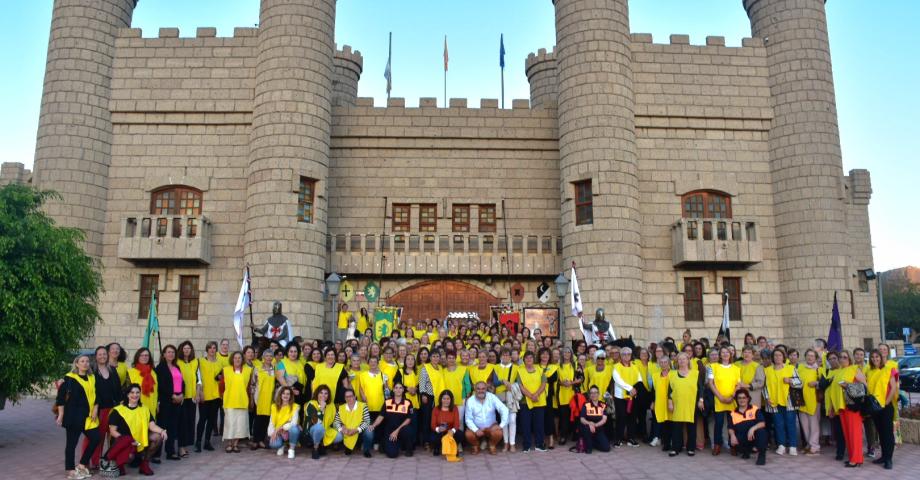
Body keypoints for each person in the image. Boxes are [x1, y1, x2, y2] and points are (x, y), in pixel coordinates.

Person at [98, 383, 167, 477]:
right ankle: (120, 464)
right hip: (125, 442)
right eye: (132, 392)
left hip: (140, 443)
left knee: (157, 437)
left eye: (137, 392)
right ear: (127, 394)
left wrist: (162, 431)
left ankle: (145, 463)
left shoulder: (144, 409)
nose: (135, 395)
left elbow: (152, 426)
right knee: (129, 458)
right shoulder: (118, 410)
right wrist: (128, 441)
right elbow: (113, 431)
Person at [56, 354, 101, 480]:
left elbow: (97, 395)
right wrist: (61, 415)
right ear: (76, 364)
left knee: (96, 438)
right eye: (82, 361)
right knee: (71, 444)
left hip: (89, 417)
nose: (85, 363)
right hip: (73, 416)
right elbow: (60, 399)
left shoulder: (92, 378)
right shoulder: (69, 379)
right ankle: (70, 470)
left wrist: (96, 409)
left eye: (87, 361)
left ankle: (81, 465)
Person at [85, 346, 121, 470]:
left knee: (111, 437)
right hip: (98, 410)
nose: (102, 356)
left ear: (107, 355)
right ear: (96, 356)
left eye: (104, 354)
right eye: (100, 354)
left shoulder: (112, 369)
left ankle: (109, 461)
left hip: (112, 409)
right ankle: (91, 462)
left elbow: (118, 389)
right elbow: (91, 390)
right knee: (95, 437)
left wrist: (120, 403)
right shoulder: (91, 371)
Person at [867, 349, 897, 469]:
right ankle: (884, 456)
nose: (875, 359)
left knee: (887, 433)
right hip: (875, 407)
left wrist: (885, 403)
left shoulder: (889, 369)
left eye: (877, 356)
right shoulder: (869, 372)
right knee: (880, 433)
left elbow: (893, 387)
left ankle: (889, 459)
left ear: (881, 357)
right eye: (873, 357)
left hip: (886, 406)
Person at [152, 344, 183, 462]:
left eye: (173, 352)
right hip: (166, 401)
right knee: (162, 427)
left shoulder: (177, 367)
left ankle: (170, 452)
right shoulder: (159, 368)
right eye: (168, 352)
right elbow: (161, 386)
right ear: (164, 354)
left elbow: (181, 382)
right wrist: (172, 395)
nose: (171, 354)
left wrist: (181, 395)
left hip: (177, 401)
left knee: (173, 427)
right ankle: (156, 454)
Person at [764, 348, 797, 456]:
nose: (777, 357)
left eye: (780, 355)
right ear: (772, 357)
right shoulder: (767, 370)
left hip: (788, 401)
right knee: (778, 424)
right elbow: (764, 386)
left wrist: (791, 380)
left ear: (784, 357)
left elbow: (800, 382)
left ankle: (792, 446)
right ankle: (781, 445)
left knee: (790, 423)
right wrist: (766, 397)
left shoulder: (791, 368)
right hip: (773, 401)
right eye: (775, 355)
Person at [835, 350, 866, 467]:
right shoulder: (839, 371)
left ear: (849, 359)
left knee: (855, 434)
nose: (842, 359)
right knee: (848, 434)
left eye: (845, 357)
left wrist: (848, 385)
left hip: (853, 405)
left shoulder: (854, 369)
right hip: (842, 406)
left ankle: (856, 459)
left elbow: (864, 385)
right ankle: (853, 457)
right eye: (840, 357)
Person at [708, 346, 740, 455]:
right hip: (718, 399)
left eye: (727, 352)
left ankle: (733, 445)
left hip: (732, 400)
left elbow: (738, 385)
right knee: (719, 423)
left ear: (731, 354)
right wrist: (720, 397)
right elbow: (710, 383)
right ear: (720, 355)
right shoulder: (713, 366)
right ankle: (717, 445)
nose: (725, 354)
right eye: (723, 352)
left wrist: (732, 397)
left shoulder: (736, 368)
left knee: (732, 424)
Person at [463, 381, 509, 454]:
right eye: (478, 389)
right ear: (475, 389)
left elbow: (504, 410)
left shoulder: (492, 397)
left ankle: (492, 445)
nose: (481, 391)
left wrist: (501, 426)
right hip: (476, 427)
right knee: (468, 434)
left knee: (498, 432)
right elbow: (468, 419)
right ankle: (476, 446)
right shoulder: (470, 400)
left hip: (491, 426)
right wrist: (475, 430)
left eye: (483, 389)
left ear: (486, 389)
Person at [668, 352, 700, 457]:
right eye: (679, 359)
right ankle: (676, 448)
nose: (682, 361)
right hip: (677, 403)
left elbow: (700, 389)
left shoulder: (695, 373)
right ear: (677, 361)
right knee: (676, 427)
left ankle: (691, 448)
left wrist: (701, 400)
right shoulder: (672, 374)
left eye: (684, 359)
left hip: (691, 404)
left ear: (688, 360)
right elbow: (669, 390)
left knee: (692, 427)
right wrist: (670, 402)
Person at [327, 388, 374, 457]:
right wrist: (342, 429)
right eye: (347, 397)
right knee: (338, 432)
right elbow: (335, 422)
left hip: (359, 431)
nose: (349, 398)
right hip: (347, 432)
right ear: (345, 398)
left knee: (369, 431)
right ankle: (348, 447)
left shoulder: (363, 406)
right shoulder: (341, 408)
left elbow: (367, 421)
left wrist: (356, 429)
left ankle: (366, 450)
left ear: (355, 396)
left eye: (351, 396)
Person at [221, 351, 252, 453]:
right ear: (232, 359)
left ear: (242, 359)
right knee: (230, 424)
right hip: (230, 401)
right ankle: (229, 443)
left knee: (240, 425)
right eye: (235, 358)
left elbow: (249, 387)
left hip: (242, 401)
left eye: (239, 358)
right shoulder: (226, 370)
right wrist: (223, 396)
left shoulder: (248, 370)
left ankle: (235, 444)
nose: (237, 360)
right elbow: (221, 386)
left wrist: (250, 400)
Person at [374, 382, 415, 458]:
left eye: (400, 388)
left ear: (403, 390)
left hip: (402, 429)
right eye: (396, 388)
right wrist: (373, 425)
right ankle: (385, 443)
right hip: (390, 431)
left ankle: (408, 449)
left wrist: (397, 431)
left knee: (408, 430)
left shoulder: (408, 402)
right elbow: (381, 416)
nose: (398, 390)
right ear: (393, 390)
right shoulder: (387, 402)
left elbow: (409, 419)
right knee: (392, 454)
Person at [727, 389, 767, 466]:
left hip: (754, 436)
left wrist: (752, 429)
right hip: (742, 438)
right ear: (736, 399)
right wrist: (732, 435)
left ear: (748, 399)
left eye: (744, 397)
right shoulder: (733, 413)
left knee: (761, 432)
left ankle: (761, 456)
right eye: (739, 398)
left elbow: (762, 423)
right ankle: (747, 451)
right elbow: (730, 427)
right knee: (732, 441)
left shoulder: (754, 409)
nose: (742, 400)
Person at [517, 351, 548, 452]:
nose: (529, 359)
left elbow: (543, 383)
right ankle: (527, 445)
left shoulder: (540, 369)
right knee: (526, 424)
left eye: (531, 358)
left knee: (539, 424)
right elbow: (521, 386)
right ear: (524, 360)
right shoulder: (520, 371)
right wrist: (531, 396)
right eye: (527, 358)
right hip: (525, 401)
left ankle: (539, 444)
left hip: (539, 400)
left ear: (533, 359)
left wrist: (536, 394)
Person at [612, 346, 642, 447]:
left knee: (632, 418)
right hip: (620, 397)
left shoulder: (634, 366)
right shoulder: (616, 366)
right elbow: (618, 380)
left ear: (631, 355)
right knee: (621, 418)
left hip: (632, 396)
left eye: (628, 354)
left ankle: (631, 438)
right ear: (621, 355)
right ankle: (618, 439)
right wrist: (630, 389)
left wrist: (635, 389)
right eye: (624, 354)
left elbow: (639, 379)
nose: (626, 356)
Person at [195, 341, 221, 452]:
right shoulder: (200, 361)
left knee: (211, 420)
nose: (212, 350)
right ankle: (198, 442)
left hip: (216, 396)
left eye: (214, 348)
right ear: (207, 350)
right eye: (210, 348)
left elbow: (221, 377)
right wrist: (199, 392)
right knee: (202, 419)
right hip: (204, 395)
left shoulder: (219, 363)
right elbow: (197, 377)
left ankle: (207, 442)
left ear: (216, 350)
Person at [796, 349, 823, 456]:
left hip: (814, 401)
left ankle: (815, 446)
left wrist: (816, 383)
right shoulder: (800, 368)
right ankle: (809, 444)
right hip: (802, 400)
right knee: (805, 425)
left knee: (814, 425)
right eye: (808, 355)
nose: (810, 357)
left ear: (815, 358)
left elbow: (824, 383)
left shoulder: (819, 370)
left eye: (812, 356)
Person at [175, 341, 198, 457]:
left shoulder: (195, 362)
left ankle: (186, 445)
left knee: (190, 422)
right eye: (185, 348)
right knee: (182, 423)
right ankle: (181, 447)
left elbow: (198, 379)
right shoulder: (177, 362)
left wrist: (198, 393)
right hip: (181, 397)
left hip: (192, 397)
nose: (187, 350)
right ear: (181, 350)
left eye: (189, 348)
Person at [251, 348, 276, 450]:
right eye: (267, 356)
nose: (269, 358)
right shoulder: (257, 368)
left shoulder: (274, 369)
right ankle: (255, 441)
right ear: (263, 357)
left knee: (266, 420)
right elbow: (252, 384)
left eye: (271, 356)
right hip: (259, 398)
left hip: (270, 398)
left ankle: (261, 440)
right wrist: (252, 398)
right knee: (258, 420)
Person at [267, 386, 301, 459]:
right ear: (280, 395)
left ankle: (291, 449)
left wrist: (281, 428)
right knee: (273, 444)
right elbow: (271, 422)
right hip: (279, 432)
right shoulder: (274, 406)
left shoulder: (295, 407)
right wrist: (272, 433)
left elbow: (294, 423)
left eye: (288, 394)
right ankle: (282, 445)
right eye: (283, 393)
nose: (285, 396)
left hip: (289, 430)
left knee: (294, 429)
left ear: (291, 396)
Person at [127, 348, 158, 421]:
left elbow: (156, 391)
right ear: (137, 357)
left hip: (151, 407)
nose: (144, 357)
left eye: (146, 355)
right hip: (136, 407)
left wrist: (157, 404)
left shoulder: (153, 373)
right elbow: (126, 392)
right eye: (142, 355)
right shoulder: (130, 372)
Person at [578, 386, 610, 454]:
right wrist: (589, 423)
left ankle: (592, 442)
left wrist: (595, 425)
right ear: (589, 395)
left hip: (598, 429)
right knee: (589, 450)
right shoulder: (586, 404)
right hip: (588, 429)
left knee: (606, 448)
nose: (593, 395)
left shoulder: (603, 405)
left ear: (598, 394)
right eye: (591, 393)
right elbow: (582, 419)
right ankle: (588, 444)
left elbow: (604, 420)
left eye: (595, 393)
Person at [431, 390, 464, 457]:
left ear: (451, 399)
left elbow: (457, 423)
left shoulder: (454, 408)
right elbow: (433, 425)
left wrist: (452, 430)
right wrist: (438, 429)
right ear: (441, 399)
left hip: (450, 432)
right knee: (433, 436)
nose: (446, 401)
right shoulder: (436, 409)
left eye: (448, 399)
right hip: (440, 431)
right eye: (444, 399)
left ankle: (453, 448)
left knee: (460, 434)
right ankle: (437, 448)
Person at [307, 385, 336, 459]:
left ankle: (322, 445)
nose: (323, 395)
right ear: (317, 394)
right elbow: (315, 421)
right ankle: (315, 448)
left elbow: (333, 420)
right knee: (319, 428)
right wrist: (321, 409)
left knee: (339, 435)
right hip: (313, 430)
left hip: (326, 429)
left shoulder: (331, 405)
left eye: (326, 393)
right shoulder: (311, 404)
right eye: (321, 393)